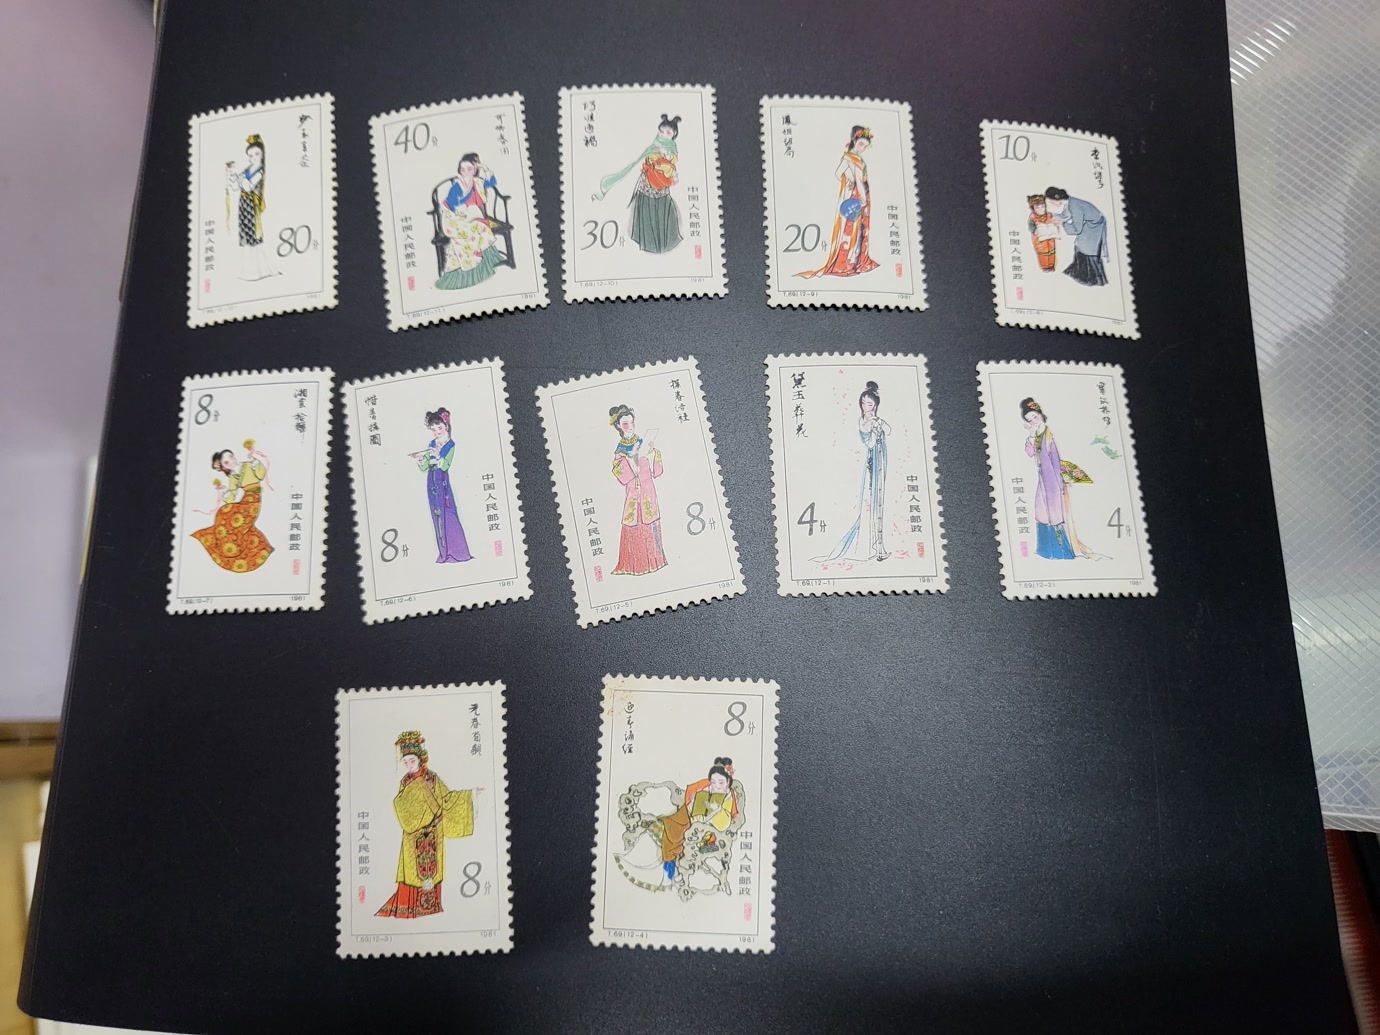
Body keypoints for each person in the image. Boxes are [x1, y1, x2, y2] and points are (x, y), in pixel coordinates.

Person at [375, 730, 476, 919]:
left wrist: (471, 795)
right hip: (413, 839)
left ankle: (431, 910)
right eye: (406, 762)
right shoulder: (405, 782)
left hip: (434, 835)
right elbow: (401, 807)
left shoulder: (433, 779)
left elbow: (447, 799)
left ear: (420, 759)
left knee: (432, 873)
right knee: (413, 874)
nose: (409, 765)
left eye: (412, 760)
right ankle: (408, 911)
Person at [820, 382, 891, 562]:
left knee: (879, 502)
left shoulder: (876, 420)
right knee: (871, 503)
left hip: (880, 462)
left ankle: (880, 547)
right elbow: (869, 444)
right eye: (863, 403)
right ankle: (875, 547)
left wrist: (879, 423)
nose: (865, 406)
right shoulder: (863, 422)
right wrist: (875, 429)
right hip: (871, 465)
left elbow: (889, 431)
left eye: (869, 403)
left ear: (875, 405)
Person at [593, 114, 683, 254]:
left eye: (668, 132)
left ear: (674, 134)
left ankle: (662, 244)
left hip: (661, 186)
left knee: (661, 215)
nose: (664, 134)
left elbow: (672, 159)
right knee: (647, 215)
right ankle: (648, 242)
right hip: (647, 184)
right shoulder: (654, 145)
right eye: (662, 131)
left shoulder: (671, 148)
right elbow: (648, 158)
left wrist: (664, 157)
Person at [798, 125, 880, 278]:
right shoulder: (853, 158)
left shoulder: (850, 157)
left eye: (865, 146)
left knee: (853, 227)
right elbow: (855, 180)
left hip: (855, 194)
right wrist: (861, 197)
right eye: (861, 143)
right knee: (852, 228)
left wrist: (850, 180)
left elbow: (839, 174)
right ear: (855, 140)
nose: (862, 148)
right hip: (858, 195)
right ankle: (848, 263)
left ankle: (851, 261)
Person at [1021, 398, 1095, 559]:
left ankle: (1062, 552)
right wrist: (1031, 435)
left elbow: (1055, 460)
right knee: (1042, 512)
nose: (1033, 421)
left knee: (1055, 515)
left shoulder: (1049, 434)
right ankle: (1046, 550)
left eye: (1034, 416)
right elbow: (1029, 453)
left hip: (1053, 480)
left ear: (1040, 414)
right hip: (1043, 479)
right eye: (1029, 420)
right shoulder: (1036, 434)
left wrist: (1060, 482)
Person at [191, 442, 273, 572]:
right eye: (226, 462)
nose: (231, 460)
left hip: (254, 500)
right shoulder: (234, 476)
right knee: (224, 512)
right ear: (224, 467)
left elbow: (261, 475)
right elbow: (232, 496)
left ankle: (234, 545)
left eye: (231, 456)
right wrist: (222, 492)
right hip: (246, 499)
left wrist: (254, 460)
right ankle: (232, 545)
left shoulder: (247, 465)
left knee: (235, 519)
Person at [652, 758, 739, 882]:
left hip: (708, 825)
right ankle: (670, 867)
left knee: (684, 835)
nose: (716, 786)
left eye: (721, 782)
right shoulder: (705, 788)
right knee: (673, 825)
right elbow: (691, 803)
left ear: (728, 781)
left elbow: (724, 822)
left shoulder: (729, 795)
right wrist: (693, 803)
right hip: (691, 816)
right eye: (713, 782)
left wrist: (717, 810)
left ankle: (677, 870)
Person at [609, 404, 667, 575]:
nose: (630, 426)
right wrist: (632, 459)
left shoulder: (641, 441)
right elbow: (619, 470)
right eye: (625, 424)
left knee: (651, 520)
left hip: (648, 489)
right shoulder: (620, 448)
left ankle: (656, 561)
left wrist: (653, 453)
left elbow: (656, 470)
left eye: (631, 422)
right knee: (634, 522)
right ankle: (635, 565)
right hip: (634, 492)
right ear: (619, 426)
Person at [436, 153, 503, 290]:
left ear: (474, 170)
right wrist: (465, 192)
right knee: (475, 228)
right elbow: (453, 206)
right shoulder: (457, 186)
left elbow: (492, 182)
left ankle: (484, 263)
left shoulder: (478, 182)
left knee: (479, 225)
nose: (465, 172)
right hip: (454, 220)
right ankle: (471, 264)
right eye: (463, 169)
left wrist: (484, 168)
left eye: (469, 169)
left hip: (472, 217)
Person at [416, 407, 472, 563]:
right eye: (433, 429)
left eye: (439, 428)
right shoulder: (432, 443)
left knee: (448, 514)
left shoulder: (450, 445)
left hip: (442, 482)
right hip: (431, 481)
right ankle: (443, 553)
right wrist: (421, 459)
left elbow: (445, 465)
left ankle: (458, 553)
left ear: (446, 426)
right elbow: (425, 467)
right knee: (436, 515)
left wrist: (438, 457)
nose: (437, 432)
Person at [226, 133, 277, 281]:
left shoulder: (260, 171)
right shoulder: (248, 169)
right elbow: (236, 187)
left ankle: (259, 271)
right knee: (244, 236)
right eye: (250, 155)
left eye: (256, 154)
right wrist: (232, 175)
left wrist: (239, 178)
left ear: (262, 154)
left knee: (253, 237)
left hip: (252, 206)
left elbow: (248, 187)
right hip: (243, 204)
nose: (253, 157)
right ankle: (246, 270)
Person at [1043, 186, 1108, 286]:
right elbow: (1065, 215)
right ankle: (1081, 274)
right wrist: (1053, 216)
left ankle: (1093, 280)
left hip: (1094, 227)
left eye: (1052, 202)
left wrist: (1063, 223)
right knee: (1079, 247)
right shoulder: (1069, 202)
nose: (1052, 204)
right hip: (1089, 225)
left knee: (1086, 250)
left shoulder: (1075, 206)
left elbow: (1076, 230)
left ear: (1057, 199)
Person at [1026, 193, 1058, 273]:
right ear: (1033, 208)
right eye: (1037, 207)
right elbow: (1030, 226)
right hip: (1039, 239)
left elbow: (1054, 221)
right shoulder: (1032, 217)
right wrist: (1034, 230)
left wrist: (1055, 226)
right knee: (1042, 254)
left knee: (1051, 252)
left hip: (1050, 238)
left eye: (1043, 206)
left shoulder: (1049, 214)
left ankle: (1051, 266)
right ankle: (1045, 267)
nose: (1041, 209)